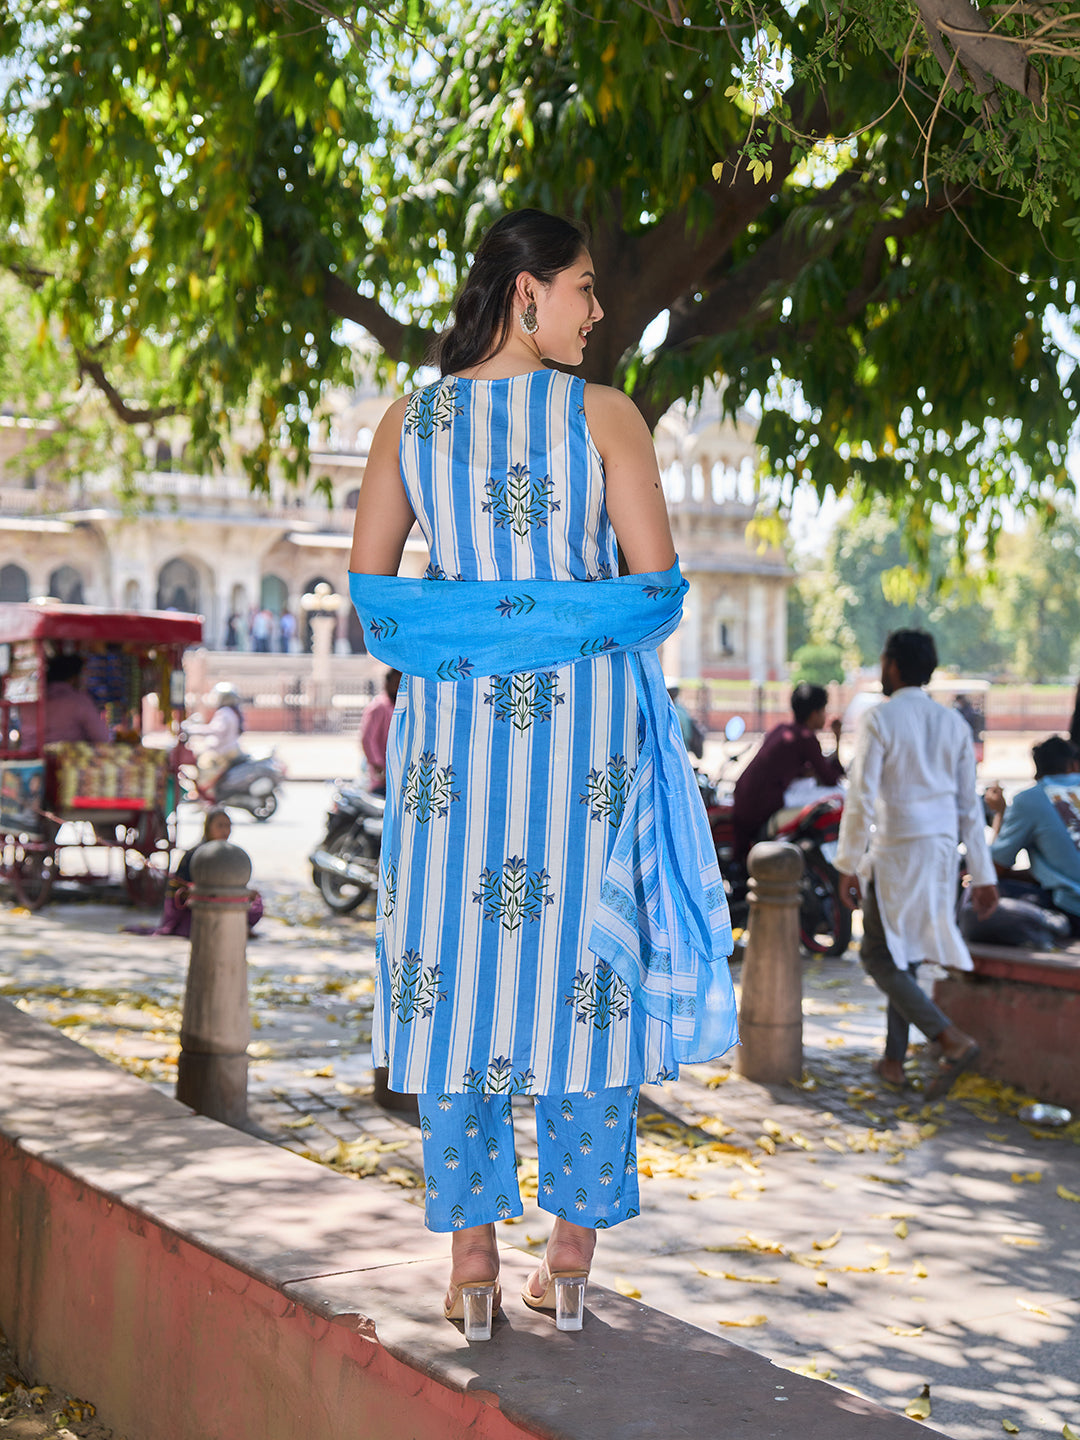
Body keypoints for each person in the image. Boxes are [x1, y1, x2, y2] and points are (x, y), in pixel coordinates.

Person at [348, 208, 736, 1339]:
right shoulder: (604, 418)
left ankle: (471, 1268)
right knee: (585, 981)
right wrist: (560, 618)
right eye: (583, 287)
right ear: (527, 293)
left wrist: (483, 622)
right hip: (587, 747)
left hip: (451, 750)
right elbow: (655, 594)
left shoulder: (408, 424)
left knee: (454, 979)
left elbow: (379, 605)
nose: (599, 310)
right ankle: (568, 1261)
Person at [835, 629, 998, 1096]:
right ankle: (892, 1062)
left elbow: (861, 798)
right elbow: (970, 807)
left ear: (892, 665)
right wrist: (983, 875)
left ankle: (948, 1036)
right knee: (902, 955)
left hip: (897, 853)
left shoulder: (881, 719)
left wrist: (847, 863)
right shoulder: (953, 724)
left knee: (877, 955)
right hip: (943, 856)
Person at [730, 681, 843, 864]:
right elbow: (830, 778)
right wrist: (838, 737)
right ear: (815, 713)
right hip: (762, 804)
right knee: (839, 794)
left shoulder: (782, 730)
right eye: (824, 710)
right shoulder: (806, 738)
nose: (825, 716)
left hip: (745, 800)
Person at [983, 735, 1080, 935]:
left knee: (981, 891)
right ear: (1073, 765)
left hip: (1072, 910)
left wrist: (1000, 813)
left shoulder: (1029, 799)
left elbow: (994, 868)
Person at [141, 808, 263, 938]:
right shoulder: (194, 855)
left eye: (228, 826)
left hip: (224, 902)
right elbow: (178, 894)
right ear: (208, 828)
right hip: (197, 908)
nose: (225, 831)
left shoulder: (231, 855)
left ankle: (236, 925)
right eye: (220, 826)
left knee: (255, 901)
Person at [19, 653, 110, 751]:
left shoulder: (32, 700)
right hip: (66, 761)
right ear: (74, 678)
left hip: (28, 759)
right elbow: (102, 738)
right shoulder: (79, 701)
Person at [183, 683, 243, 796]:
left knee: (205, 764)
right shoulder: (231, 712)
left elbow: (215, 730)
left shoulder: (225, 713)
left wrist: (192, 730)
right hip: (228, 749)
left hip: (224, 751)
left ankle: (207, 794)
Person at [358, 668, 401, 794]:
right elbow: (368, 739)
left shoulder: (399, 706)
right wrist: (379, 766)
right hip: (383, 781)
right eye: (395, 683)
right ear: (387, 684)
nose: (398, 687)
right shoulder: (379, 707)